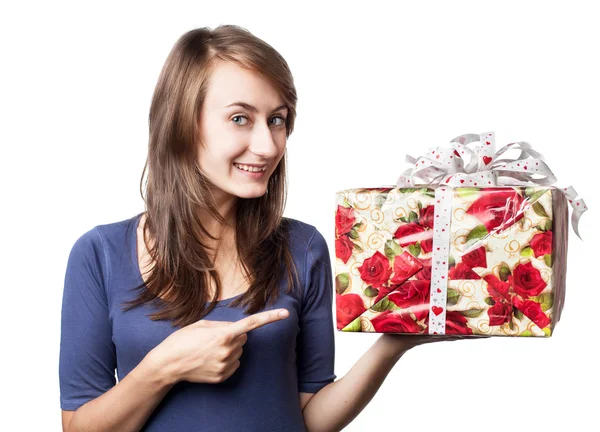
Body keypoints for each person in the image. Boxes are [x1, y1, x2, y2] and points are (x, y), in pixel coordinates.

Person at [59, 24, 473, 432]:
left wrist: (393, 344)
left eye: (277, 120)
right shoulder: (100, 255)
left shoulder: (303, 247)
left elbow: (310, 418)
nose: (268, 145)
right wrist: (163, 367)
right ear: (182, 122)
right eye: (240, 118)